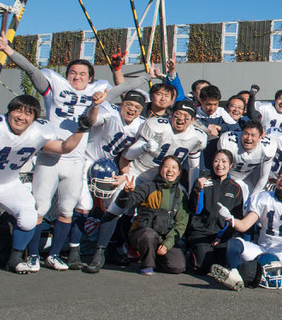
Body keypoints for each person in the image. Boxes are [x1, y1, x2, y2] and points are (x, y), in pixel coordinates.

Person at [0, 34, 118, 272]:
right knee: (39, 208)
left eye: (83, 74)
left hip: (75, 160)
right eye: (73, 73)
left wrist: (145, 78)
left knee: (66, 210)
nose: (77, 77)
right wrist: (9, 51)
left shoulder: (97, 96)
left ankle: (53, 255)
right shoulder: (54, 87)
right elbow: (31, 71)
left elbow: (122, 89)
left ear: (90, 78)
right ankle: (31, 256)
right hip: (51, 156)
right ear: (66, 74)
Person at [0, 95, 89, 278]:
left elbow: (64, 147)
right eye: (17, 111)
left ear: (34, 118)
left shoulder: (39, 131)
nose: (21, 117)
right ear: (9, 111)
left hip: (9, 183)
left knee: (29, 216)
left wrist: (81, 130)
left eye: (28, 113)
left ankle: (15, 259)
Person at [84, 101, 207, 273]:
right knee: (117, 209)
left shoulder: (197, 137)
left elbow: (193, 168)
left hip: (163, 182)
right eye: (178, 115)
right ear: (171, 114)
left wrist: (195, 189)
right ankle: (100, 252)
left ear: (193, 119)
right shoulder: (155, 125)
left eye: (186, 117)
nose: (181, 119)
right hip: (138, 173)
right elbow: (127, 154)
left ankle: (135, 248)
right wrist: (143, 146)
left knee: (160, 212)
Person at [68, 89, 147, 269]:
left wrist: (126, 175)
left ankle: (99, 252)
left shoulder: (141, 125)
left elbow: (130, 155)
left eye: (137, 107)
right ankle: (73, 251)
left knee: (116, 207)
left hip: (114, 167)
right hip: (88, 160)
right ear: (121, 104)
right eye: (129, 105)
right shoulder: (110, 112)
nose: (132, 110)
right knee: (84, 205)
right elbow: (93, 120)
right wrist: (95, 105)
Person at [209, 166, 282, 290]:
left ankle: (256, 273)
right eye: (281, 176)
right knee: (234, 244)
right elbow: (244, 225)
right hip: (263, 250)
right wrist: (230, 219)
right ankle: (236, 274)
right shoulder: (264, 198)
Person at [115, 156, 189, 275]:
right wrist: (126, 193)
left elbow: (181, 223)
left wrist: (167, 244)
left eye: (174, 167)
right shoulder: (148, 187)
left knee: (177, 266)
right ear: (160, 169)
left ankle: (152, 257)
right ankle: (147, 265)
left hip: (163, 237)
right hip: (143, 233)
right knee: (149, 235)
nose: (170, 170)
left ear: (179, 172)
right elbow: (125, 204)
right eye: (166, 166)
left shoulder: (181, 194)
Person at [185, 150, 246, 274]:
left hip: (222, 235)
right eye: (216, 161)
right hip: (202, 232)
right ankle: (189, 252)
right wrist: (198, 190)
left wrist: (222, 236)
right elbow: (195, 209)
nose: (220, 165)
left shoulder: (236, 188)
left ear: (231, 164)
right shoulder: (204, 181)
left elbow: (236, 218)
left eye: (224, 161)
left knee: (225, 264)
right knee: (202, 268)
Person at [219, 119, 277, 205]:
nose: (249, 138)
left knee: (252, 203)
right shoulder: (228, 142)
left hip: (248, 177)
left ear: (260, 137)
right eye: (246, 133)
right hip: (228, 176)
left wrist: (253, 198)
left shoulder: (267, 148)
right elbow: (220, 168)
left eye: (253, 135)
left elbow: (264, 176)